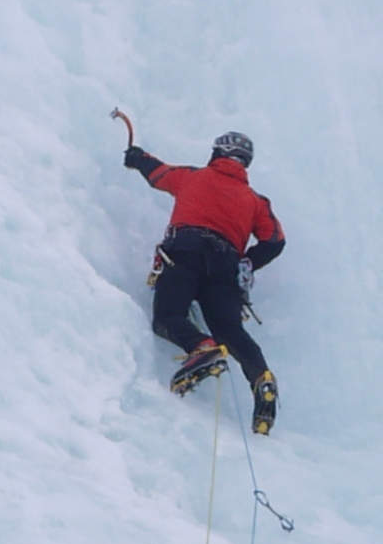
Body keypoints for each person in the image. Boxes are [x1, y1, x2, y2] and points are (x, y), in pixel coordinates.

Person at [113, 111, 281, 434]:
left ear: (218, 153)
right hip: (227, 265)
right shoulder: (256, 201)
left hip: (184, 252)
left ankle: (201, 348)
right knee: (230, 330)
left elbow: (157, 173)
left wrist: (136, 157)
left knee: (168, 316)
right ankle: (261, 376)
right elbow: (275, 240)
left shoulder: (194, 177)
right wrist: (248, 262)